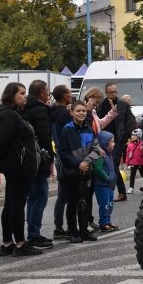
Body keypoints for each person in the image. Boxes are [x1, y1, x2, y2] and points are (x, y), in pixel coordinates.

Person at [0, 82, 42, 257]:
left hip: (16, 165)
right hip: (17, 166)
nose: (25, 96)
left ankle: (7, 243)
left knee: (11, 204)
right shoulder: (9, 115)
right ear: (12, 96)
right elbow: (1, 142)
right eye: (21, 93)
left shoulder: (13, 114)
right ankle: (20, 243)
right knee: (17, 205)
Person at [58, 100, 98, 243]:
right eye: (78, 111)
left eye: (83, 111)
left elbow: (96, 149)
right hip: (71, 172)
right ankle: (73, 232)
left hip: (87, 171)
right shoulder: (66, 130)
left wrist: (86, 163)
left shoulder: (89, 129)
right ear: (72, 112)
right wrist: (77, 164)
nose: (81, 113)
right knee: (73, 202)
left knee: (85, 201)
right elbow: (63, 152)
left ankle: (83, 231)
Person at [22, 80, 54, 250]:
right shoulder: (40, 109)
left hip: (28, 159)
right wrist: (49, 156)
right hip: (39, 159)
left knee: (32, 197)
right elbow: (44, 136)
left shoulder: (25, 108)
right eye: (46, 91)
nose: (48, 93)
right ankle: (34, 234)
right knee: (39, 196)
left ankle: (33, 233)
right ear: (41, 92)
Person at [49, 84, 73, 240]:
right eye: (69, 93)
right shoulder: (64, 114)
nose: (71, 95)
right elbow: (68, 136)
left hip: (58, 154)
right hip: (66, 156)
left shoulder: (50, 111)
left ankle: (59, 227)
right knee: (68, 194)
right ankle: (66, 227)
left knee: (62, 194)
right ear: (64, 96)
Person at [88, 130, 118, 233]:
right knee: (104, 205)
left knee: (110, 205)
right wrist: (107, 178)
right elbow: (98, 169)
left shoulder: (109, 154)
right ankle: (103, 223)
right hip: (102, 185)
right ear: (105, 143)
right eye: (112, 142)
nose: (114, 143)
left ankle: (108, 221)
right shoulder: (100, 155)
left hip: (109, 185)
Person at [125, 129, 143, 193]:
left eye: (135, 135)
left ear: (139, 136)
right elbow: (127, 154)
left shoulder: (142, 144)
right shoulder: (129, 145)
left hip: (141, 163)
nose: (132, 137)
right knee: (132, 175)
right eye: (132, 135)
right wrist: (127, 162)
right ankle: (131, 187)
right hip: (133, 163)